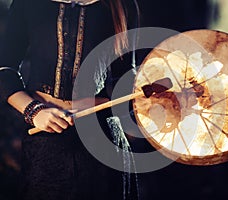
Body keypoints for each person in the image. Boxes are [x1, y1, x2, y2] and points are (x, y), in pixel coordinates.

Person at [0, 0, 139, 199]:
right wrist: (33, 111)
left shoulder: (122, 5)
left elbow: (124, 78)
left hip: (103, 141)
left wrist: (148, 91)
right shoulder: (27, 3)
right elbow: (5, 69)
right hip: (45, 139)